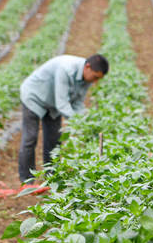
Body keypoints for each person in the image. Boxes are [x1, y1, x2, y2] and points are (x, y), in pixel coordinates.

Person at [18, 53, 108, 185]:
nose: (95, 81)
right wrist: (79, 124)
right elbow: (62, 104)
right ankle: (27, 182)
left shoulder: (87, 78)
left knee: (54, 140)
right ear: (87, 67)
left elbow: (78, 104)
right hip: (34, 97)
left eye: (98, 79)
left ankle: (51, 180)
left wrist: (87, 122)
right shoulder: (66, 69)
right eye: (95, 77)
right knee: (30, 138)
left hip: (52, 103)